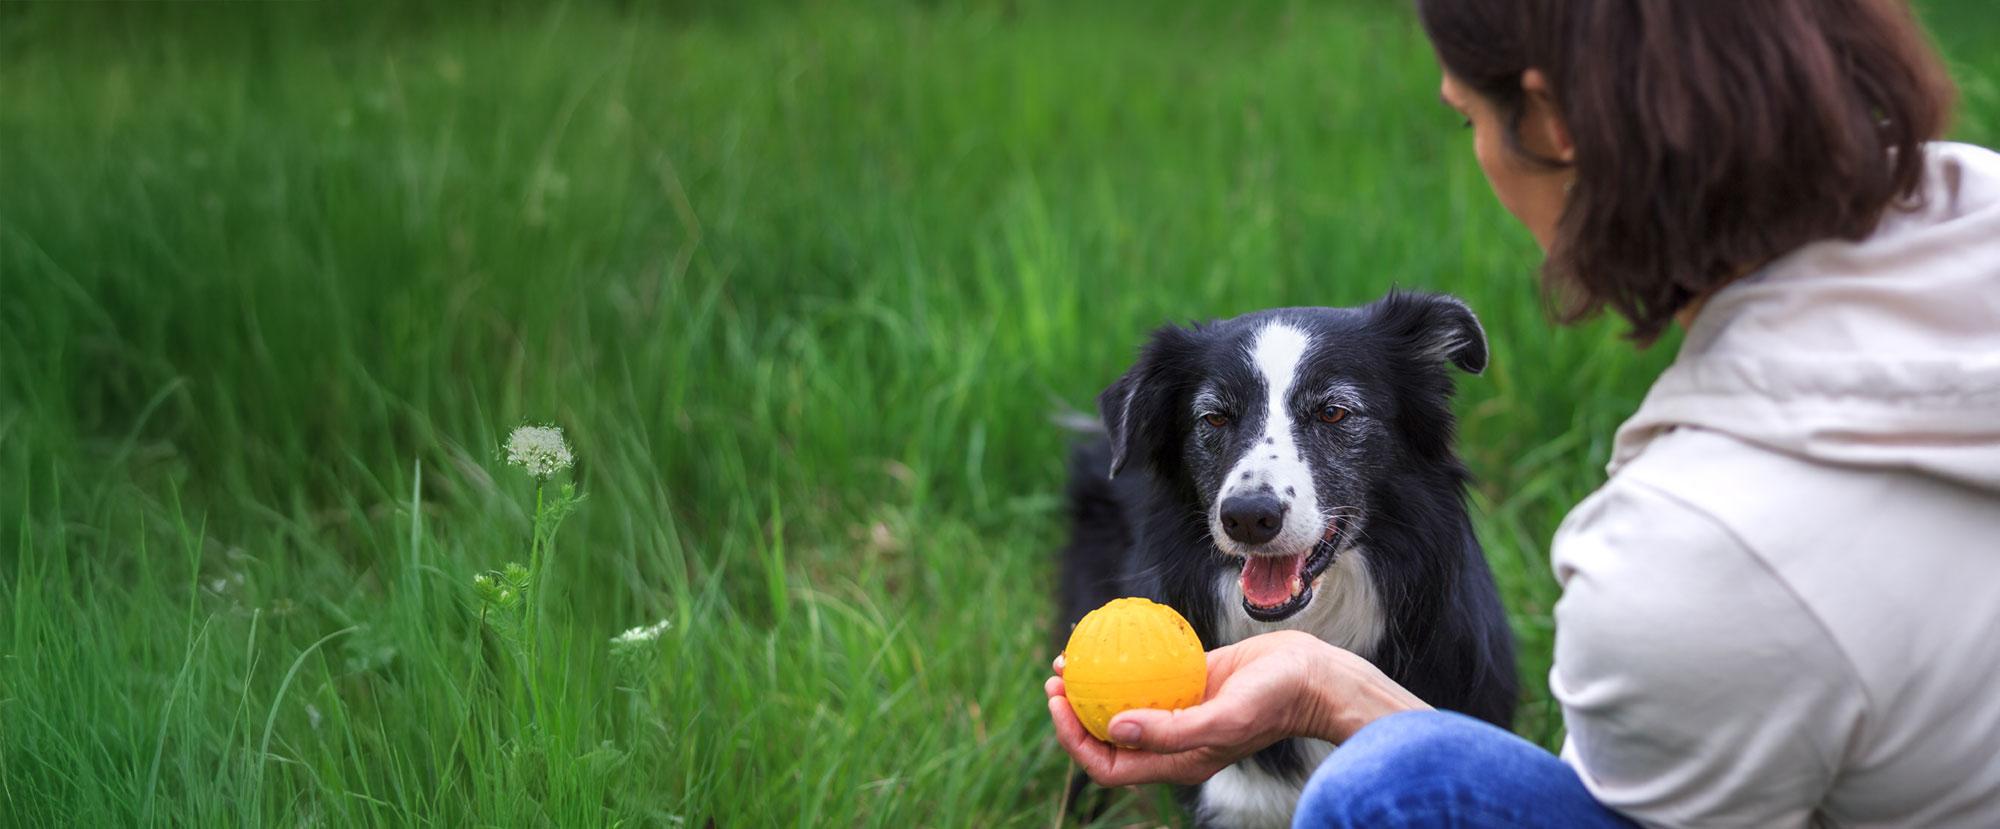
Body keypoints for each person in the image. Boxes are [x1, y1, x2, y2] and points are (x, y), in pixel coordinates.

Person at [1043, 0, 2000, 826]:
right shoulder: (1979, 205)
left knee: (1379, 791)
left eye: (1467, 119)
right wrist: (1324, 682)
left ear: (1546, 117)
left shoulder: (1690, 556)